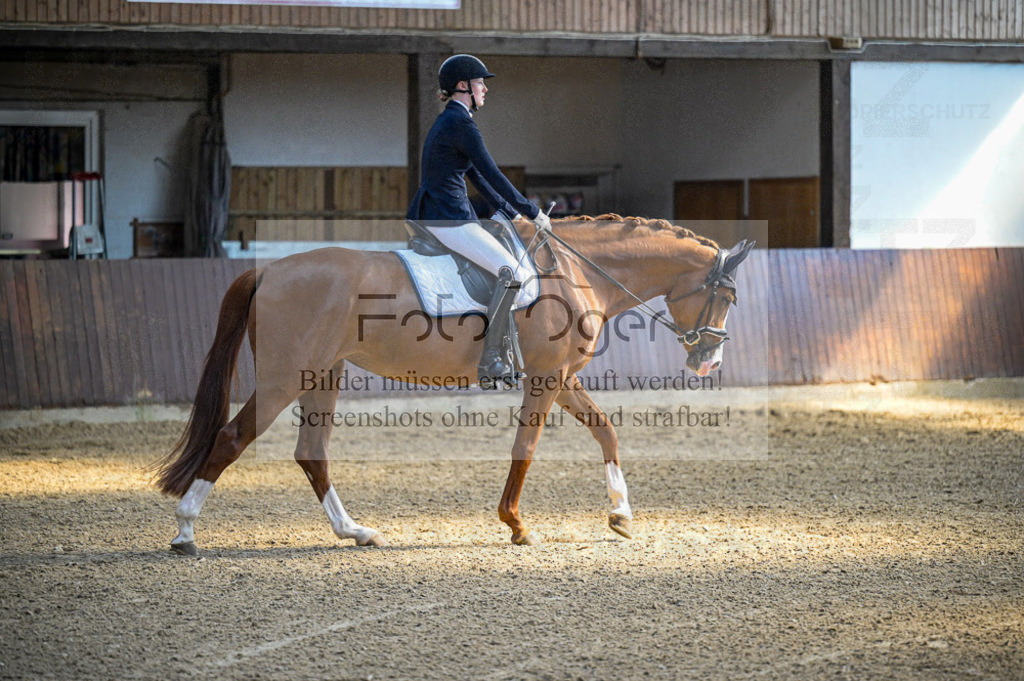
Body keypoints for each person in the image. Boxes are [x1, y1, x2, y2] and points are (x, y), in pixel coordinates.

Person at [406, 54, 552, 388]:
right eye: (480, 83)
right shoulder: (460, 123)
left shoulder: (452, 120)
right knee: (512, 273)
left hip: (438, 213)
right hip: (448, 217)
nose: (485, 89)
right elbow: (493, 173)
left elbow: (479, 179)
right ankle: (491, 360)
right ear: (463, 86)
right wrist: (534, 212)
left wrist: (513, 212)